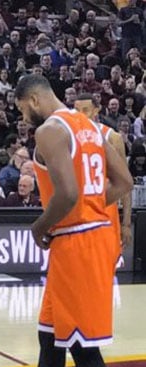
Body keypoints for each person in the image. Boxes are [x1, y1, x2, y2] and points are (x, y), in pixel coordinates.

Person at [0, 74, 133, 367]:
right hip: (81, 238)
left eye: (22, 110)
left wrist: (40, 226)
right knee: (50, 340)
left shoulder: (50, 130)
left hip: (79, 244)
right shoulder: (91, 128)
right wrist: (92, 205)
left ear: (33, 100)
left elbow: (67, 194)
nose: (23, 118)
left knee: (84, 347)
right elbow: (124, 182)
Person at [74, 94, 133, 251]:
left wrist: (126, 224)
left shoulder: (112, 137)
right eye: (77, 110)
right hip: (77, 210)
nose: (81, 115)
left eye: (85, 110)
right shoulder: (68, 136)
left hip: (105, 209)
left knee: (106, 260)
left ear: (96, 110)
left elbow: (125, 182)